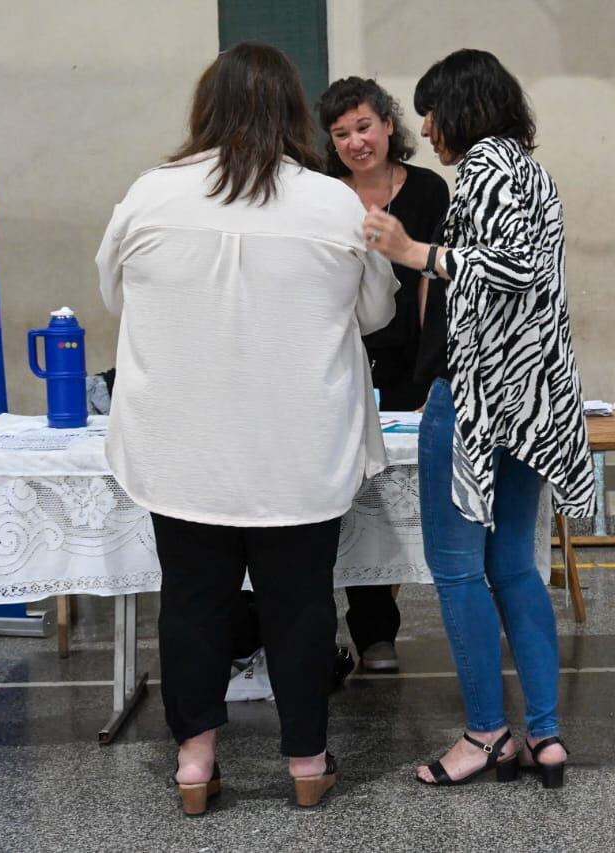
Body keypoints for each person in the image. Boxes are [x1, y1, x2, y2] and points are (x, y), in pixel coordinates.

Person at [96, 42, 397, 815]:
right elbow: (376, 312)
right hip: (299, 446)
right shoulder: (333, 202)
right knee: (301, 604)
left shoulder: (150, 194)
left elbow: (115, 293)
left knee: (192, 602)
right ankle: (305, 760)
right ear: (296, 113)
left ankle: (195, 764)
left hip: (183, 447)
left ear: (206, 109)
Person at [363, 49, 596, 789]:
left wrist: (415, 252)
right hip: (531, 399)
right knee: (514, 566)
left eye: (432, 111)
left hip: (477, 397)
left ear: (464, 106)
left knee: (459, 571)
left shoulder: (488, 169)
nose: (426, 127)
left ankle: (487, 734)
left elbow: (513, 267)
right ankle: (547, 734)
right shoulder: (530, 169)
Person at [316, 76, 450, 674]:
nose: (356, 142)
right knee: (331, 498)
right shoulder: (321, 195)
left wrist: (429, 375)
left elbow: (433, 287)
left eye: (364, 127)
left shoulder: (427, 190)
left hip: (406, 365)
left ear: (389, 125)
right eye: (341, 134)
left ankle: (376, 632)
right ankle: (318, 635)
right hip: (336, 361)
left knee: (382, 499)